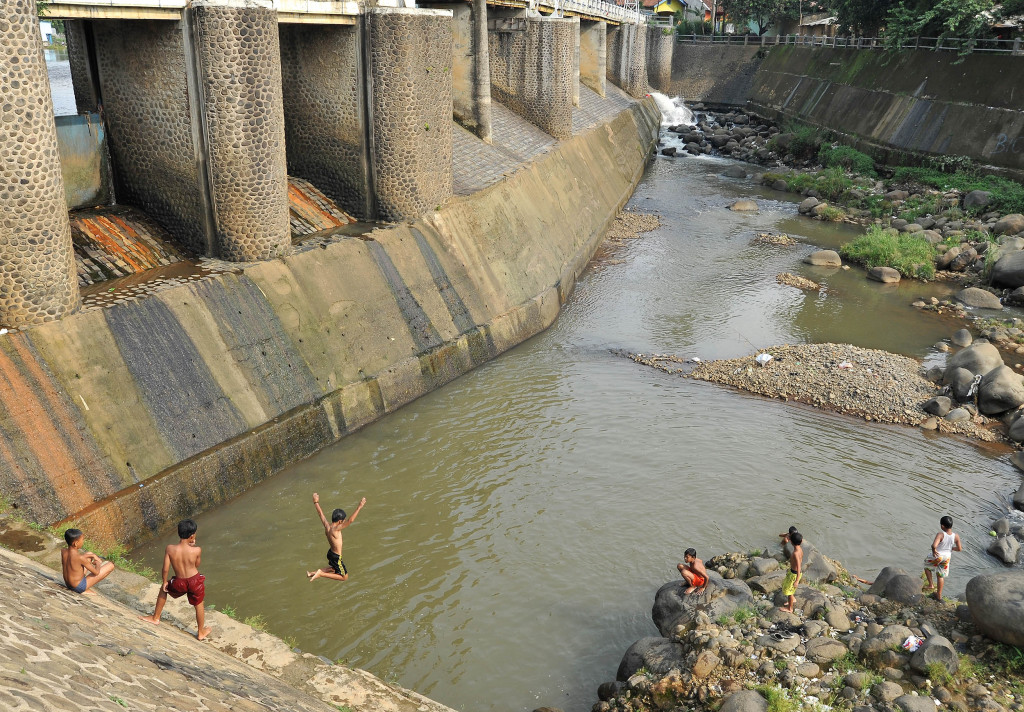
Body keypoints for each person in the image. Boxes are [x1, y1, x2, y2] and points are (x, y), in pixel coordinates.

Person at [140, 519, 210, 641]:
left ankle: (155, 617)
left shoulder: (170, 549)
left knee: (164, 590)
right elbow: (197, 565)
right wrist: (192, 546)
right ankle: (200, 632)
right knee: (199, 604)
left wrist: (164, 581)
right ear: (192, 535)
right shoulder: (197, 550)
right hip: (194, 581)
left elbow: (165, 568)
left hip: (179, 582)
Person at [307, 493, 366, 582]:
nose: (344, 522)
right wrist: (359, 507)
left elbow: (321, 514)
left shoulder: (327, 526)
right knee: (344, 577)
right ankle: (320, 573)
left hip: (330, 553)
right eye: (343, 521)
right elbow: (350, 520)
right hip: (336, 556)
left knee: (334, 569)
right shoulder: (337, 529)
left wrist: (316, 502)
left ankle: (312, 573)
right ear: (339, 521)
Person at [61, 528, 115, 593]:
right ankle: (85, 588)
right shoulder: (80, 558)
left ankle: (84, 584)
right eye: (82, 540)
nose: (83, 541)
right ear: (76, 543)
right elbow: (96, 572)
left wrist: (92, 555)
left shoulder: (63, 551)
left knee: (89, 554)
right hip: (78, 587)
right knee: (111, 566)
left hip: (68, 584)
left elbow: (74, 559)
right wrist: (98, 563)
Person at [923, 515, 962, 601]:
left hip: (938, 556)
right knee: (940, 575)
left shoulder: (941, 534)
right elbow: (959, 549)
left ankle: (931, 585)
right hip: (947, 557)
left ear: (942, 526)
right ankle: (939, 595)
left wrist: (933, 550)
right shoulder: (956, 536)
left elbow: (934, 545)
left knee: (926, 566)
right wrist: (952, 548)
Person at [779, 531, 803, 613]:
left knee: (788, 591)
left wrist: (796, 580)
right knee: (790, 588)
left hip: (794, 574)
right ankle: (793, 599)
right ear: (801, 541)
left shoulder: (796, 553)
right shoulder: (800, 550)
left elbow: (799, 566)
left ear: (791, 542)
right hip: (793, 572)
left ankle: (790, 608)